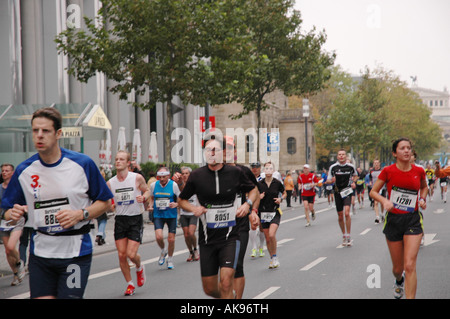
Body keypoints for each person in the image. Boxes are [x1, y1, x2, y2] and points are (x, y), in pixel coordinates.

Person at [1, 107, 113, 299]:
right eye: (35, 130)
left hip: (75, 252)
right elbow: (5, 209)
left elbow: (106, 203)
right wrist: (13, 213)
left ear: (58, 133)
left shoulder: (82, 164)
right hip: (41, 254)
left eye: (45, 131)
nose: (39, 136)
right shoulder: (24, 170)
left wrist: (80, 214)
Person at [178, 136, 258, 299]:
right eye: (208, 150)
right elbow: (181, 200)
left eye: (216, 150)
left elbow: (254, 190)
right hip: (208, 238)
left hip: (232, 234)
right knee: (209, 289)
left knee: (228, 278)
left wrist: (248, 205)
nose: (212, 153)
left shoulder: (237, 173)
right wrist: (194, 208)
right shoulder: (197, 176)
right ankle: (228, 296)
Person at [370, 138, 427, 299]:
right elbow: (373, 192)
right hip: (394, 220)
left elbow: (424, 187)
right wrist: (385, 201)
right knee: (398, 268)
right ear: (395, 153)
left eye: (409, 148)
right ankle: (398, 280)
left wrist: (422, 199)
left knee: (409, 265)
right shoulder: (388, 171)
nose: (407, 151)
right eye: (402, 148)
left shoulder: (418, 171)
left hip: (413, 219)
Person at [107, 150, 150, 296]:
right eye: (116, 159)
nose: (118, 161)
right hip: (120, 220)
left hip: (135, 219)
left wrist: (143, 197)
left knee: (131, 254)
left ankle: (139, 267)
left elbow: (148, 191)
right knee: (121, 255)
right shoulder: (110, 183)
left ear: (127, 163)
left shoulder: (136, 178)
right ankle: (130, 284)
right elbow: (108, 203)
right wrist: (110, 206)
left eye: (121, 159)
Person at [223, 136, 260, 299]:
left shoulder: (243, 171)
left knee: (236, 265)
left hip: (240, 225)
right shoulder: (210, 172)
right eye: (223, 148)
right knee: (223, 268)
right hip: (218, 227)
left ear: (235, 151)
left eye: (230, 148)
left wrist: (252, 211)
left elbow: (256, 191)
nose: (226, 152)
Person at [149, 166, 180, 269]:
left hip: (171, 215)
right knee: (158, 237)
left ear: (168, 176)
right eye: (160, 177)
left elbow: (181, 198)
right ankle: (163, 250)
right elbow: (151, 197)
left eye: (164, 177)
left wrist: (176, 204)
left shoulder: (174, 185)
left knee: (171, 239)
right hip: (158, 214)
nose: (161, 179)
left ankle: (170, 259)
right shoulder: (154, 185)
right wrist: (150, 205)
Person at [0, 163, 26, 286]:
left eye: (7, 170)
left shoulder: (17, 186)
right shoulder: (0, 188)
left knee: (11, 247)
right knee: (7, 251)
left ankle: (20, 263)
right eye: (3, 170)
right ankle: (16, 274)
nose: (4, 172)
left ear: (12, 172)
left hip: (17, 220)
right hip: (3, 221)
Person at [257, 161, 286, 268]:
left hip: (275, 212)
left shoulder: (277, 183)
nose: (268, 170)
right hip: (263, 213)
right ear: (264, 171)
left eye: (270, 168)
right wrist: (258, 197)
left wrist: (280, 199)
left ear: (273, 171)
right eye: (266, 168)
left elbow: (285, 193)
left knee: (271, 234)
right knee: (267, 239)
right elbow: (253, 195)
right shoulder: (259, 184)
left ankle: (275, 257)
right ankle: (272, 258)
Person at [326, 149, 357, 247]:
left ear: (346, 156)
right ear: (337, 157)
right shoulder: (333, 167)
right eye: (339, 154)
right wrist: (331, 180)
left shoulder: (351, 167)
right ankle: (344, 234)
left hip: (347, 191)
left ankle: (348, 235)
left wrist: (353, 182)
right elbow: (328, 181)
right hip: (337, 192)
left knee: (347, 213)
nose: (341, 156)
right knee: (340, 215)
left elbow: (355, 176)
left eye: (343, 154)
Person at [179, 166, 200, 262]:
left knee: (191, 233)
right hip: (183, 213)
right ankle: (190, 251)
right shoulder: (179, 186)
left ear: (190, 175)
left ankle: (195, 249)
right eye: (183, 174)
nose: (184, 175)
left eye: (186, 173)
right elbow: (177, 197)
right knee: (186, 234)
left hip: (193, 213)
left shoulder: (195, 184)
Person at [249, 162, 266, 258]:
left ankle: (261, 246)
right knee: (253, 225)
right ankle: (254, 247)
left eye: (257, 167)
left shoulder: (262, 179)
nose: (255, 169)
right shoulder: (248, 179)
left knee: (262, 227)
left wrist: (262, 195)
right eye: (253, 167)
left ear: (260, 168)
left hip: (262, 205)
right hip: (252, 206)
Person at [370, 160, 385, 224]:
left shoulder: (382, 170)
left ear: (379, 164)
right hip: (375, 189)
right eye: (375, 163)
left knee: (382, 203)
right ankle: (377, 217)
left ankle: (382, 214)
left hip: (382, 188)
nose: (376, 164)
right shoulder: (371, 171)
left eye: (377, 163)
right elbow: (370, 178)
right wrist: (370, 183)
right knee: (375, 203)